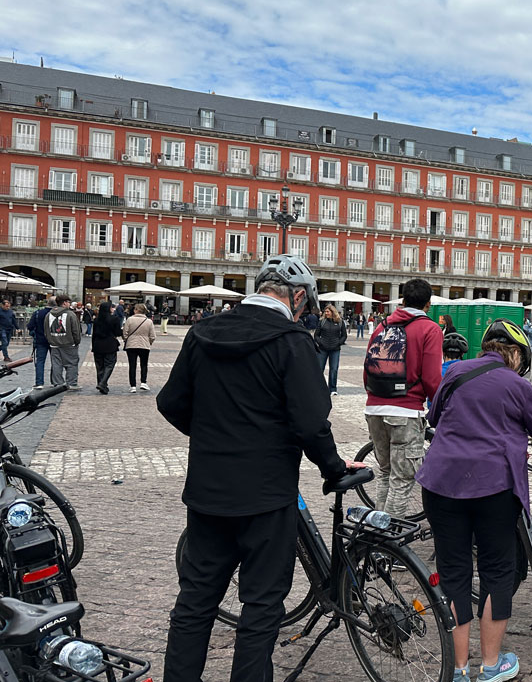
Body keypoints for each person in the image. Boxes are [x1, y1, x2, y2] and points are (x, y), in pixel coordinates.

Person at [158, 254, 357, 682]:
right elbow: (310, 423)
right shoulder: (292, 341)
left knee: (194, 602)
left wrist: (213, 436)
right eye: (304, 307)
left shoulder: (203, 332)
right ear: (297, 296)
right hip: (266, 496)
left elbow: (170, 402)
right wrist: (333, 466)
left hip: (208, 491)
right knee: (262, 606)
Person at [419, 319, 532, 682]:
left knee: (454, 573)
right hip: (494, 487)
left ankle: (459, 668)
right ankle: (492, 666)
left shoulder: (454, 372)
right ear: (515, 354)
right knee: (498, 571)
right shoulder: (518, 385)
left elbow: (433, 416)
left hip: (442, 483)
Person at [364, 278, 443, 518]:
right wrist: (439, 408)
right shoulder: (429, 329)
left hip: (374, 409)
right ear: (428, 304)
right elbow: (431, 379)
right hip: (406, 412)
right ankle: (388, 544)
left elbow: (367, 370)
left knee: (385, 473)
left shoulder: (382, 326)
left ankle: (376, 535)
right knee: (402, 480)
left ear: (402, 300)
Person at [45, 295, 82, 391]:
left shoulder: (49, 314)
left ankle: (58, 383)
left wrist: (50, 340)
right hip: (69, 344)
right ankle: (71, 383)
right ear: (64, 303)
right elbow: (76, 330)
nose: (69, 304)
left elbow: (46, 330)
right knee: (72, 364)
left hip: (54, 343)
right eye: (68, 302)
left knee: (56, 364)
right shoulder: (70, 314)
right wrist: (76, 341)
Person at [314, 304, 348, 396]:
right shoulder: (322, 321)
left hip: (335, 349)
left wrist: (338, 342)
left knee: (334, 369)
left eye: (328, 311)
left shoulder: (340, 322)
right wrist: (320, 342)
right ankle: (318, 387)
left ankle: (332, 389)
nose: (326, 313)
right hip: (322, 349)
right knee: (320, 368)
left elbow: (344, 335)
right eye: (325, 311)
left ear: (333, 312)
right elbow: (316, 335)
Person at [122, 303, 157, 392]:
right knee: (144, 364)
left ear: (137, 310)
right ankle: (143, 382)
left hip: (131, 345)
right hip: (144, 345)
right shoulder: (149, 321)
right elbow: (153, 336)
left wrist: (126, 339)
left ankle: (133, 385)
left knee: (132, 365)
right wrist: (149, 342)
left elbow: (125, 333)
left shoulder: (130, 320)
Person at [91, 302, 120, 395]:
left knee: (99, 366)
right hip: (110, 344)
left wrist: (93, 346)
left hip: (98, 345)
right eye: (112, 307)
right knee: (110, 364)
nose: (113, 309)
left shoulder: (96, 320)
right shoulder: (114, 319)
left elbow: (94, 334)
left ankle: (101, 384)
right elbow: (117, 332)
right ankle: (103, 383)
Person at [26, 298, 52, 390]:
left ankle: (39, 382)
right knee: (56, 362)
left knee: (40, 362)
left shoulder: (38, 313)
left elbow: (30, 326)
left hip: (41, 340)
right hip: (55, 341)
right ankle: (55, 382)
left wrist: (34, 333)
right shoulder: (57, 314)